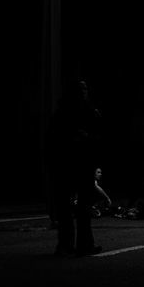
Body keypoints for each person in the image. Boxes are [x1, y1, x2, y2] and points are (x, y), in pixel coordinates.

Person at [48, 79, 104, 256]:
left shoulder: (88, 112)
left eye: (85, 88)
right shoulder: (65, 113)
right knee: (69, 208)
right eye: (80, 89)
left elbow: (99, 138)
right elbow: (55, 140)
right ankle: (72, 245)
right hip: (69, 164)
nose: (83, 92)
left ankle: (77, 244)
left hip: (79, 164)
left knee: (79, 208)